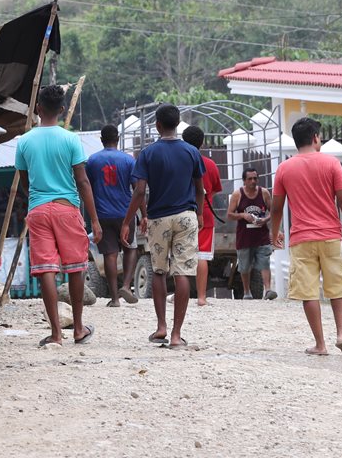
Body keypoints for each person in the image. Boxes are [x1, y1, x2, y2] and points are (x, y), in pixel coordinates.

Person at [15, 85, 102, 347]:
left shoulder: (25, 141)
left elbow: (24, 182)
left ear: (38, 108)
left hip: (38, 210)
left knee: (46, 271)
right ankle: (77, 328)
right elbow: (83, 181)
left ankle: (55, 334)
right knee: (75, 268)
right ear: (62, 110)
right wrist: (95, 220)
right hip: (67, 208)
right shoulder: (71, 139)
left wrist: (37, 200)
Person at [270, 117, 342, 355]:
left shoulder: (284, 168)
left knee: (308, 291)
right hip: (330, 236)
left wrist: (274, 232)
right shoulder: (331, 164)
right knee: (337, 286)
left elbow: (276, 207)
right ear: (315, 138)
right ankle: (341, 334)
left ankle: (320, 344)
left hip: (302, 239)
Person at [121, 104, 204, 350]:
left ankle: (161, 327)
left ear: (157, 125)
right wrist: (198, 214)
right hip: (187, 216)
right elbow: (199, 189)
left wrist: (128, 221)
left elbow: (139, 191)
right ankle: (177, 334)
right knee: (182, 273)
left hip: (159, 218)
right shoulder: (191, 152)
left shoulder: (148, 153)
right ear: (178, 124)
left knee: (158, 271)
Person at [85, 124, 139, 307]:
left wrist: (91, 217)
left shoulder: (92, 161)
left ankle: (115, 298)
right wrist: (144, 214)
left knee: (110, 254)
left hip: (102, 214)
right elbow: (137, 189)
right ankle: (126, 285)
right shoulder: (129, 160)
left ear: (101, 140)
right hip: (126, 213)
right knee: (131, 247)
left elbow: (86, 188)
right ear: (118, 139)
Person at [181, 125, 221, 306]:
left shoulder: (180, 161)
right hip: (205, 214)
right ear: (202, 142)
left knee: (181, 255)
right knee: (202, 255)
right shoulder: (210, 164)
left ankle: (180, 295)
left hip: (182, 212)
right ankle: (202, 297)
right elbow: (215, 190)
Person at [227, 167, 277, 300]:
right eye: (250, 179)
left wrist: (265, 219)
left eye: (255, 178)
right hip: (244, 237)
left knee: (264, 261)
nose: (253, 181)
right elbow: (229, 215)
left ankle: (268, 290)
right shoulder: (238, 194)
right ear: (244, 181)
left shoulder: (264, 193)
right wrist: (243, 215)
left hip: (261, 236)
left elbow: (273, 211)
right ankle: (247, 291)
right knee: (244, 266)